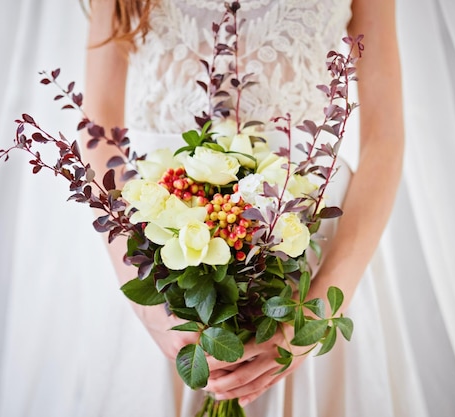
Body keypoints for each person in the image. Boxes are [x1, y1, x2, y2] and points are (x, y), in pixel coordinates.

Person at [82, 0, 407, 415]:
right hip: (150, 239)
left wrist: (317, 311)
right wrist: (143, 296)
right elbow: (97, 126)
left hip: (311, 249)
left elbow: (385, 137)